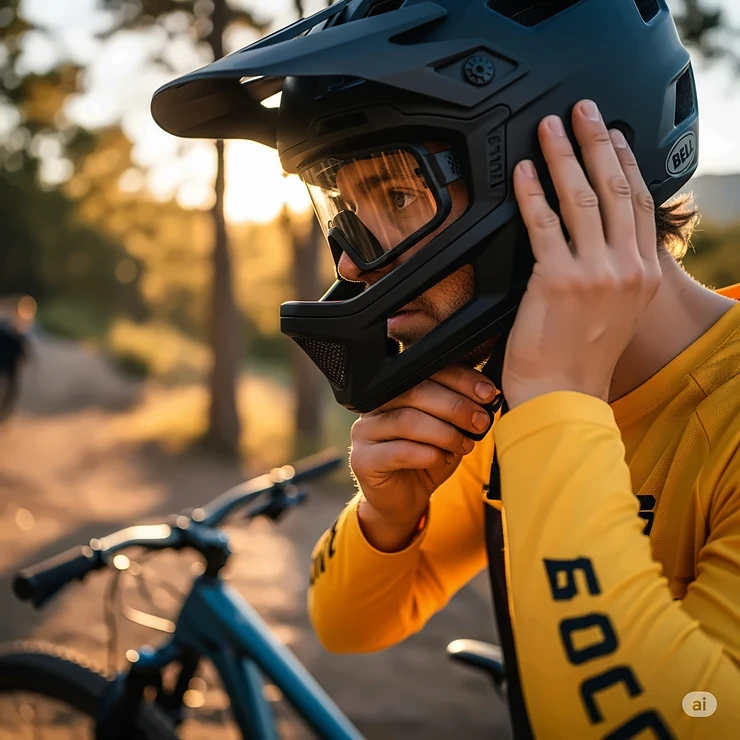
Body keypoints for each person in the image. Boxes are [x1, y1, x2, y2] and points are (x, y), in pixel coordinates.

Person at [151, 0, 740, 735]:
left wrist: (559, 398)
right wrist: (387, 519)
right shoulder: (509, 399)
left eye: (399, 196)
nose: (350, 261)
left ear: (572, 179)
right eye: (350, 209)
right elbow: (348, 624)